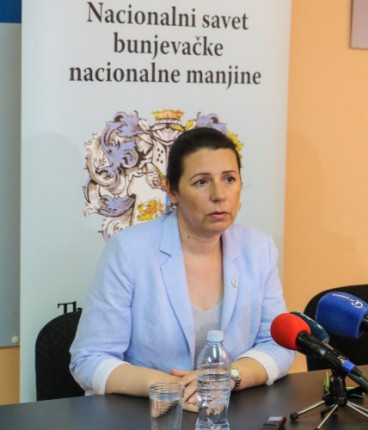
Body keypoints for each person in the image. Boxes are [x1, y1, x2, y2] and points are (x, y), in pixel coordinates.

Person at [70, 127, 294, 410]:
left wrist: (229, 377)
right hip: (147, 415)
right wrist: (176, 388)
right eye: (201, 182)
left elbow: (277, 344)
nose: (219, 194)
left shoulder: (259, 248)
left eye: (229, 179)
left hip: (225, 413)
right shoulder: (130, 250)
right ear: (172, 191)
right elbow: (89, 359)